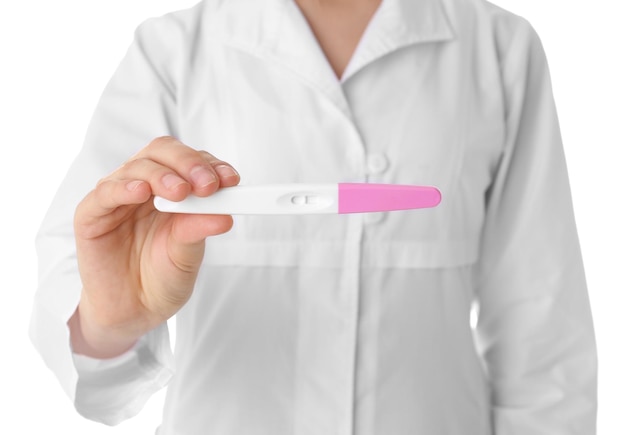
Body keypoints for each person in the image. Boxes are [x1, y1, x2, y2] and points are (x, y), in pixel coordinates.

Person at [29, 0, 598, 433]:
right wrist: (111, 320)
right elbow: (78, 292)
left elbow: (542, 326)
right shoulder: (172, 50)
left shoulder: (499, 47)